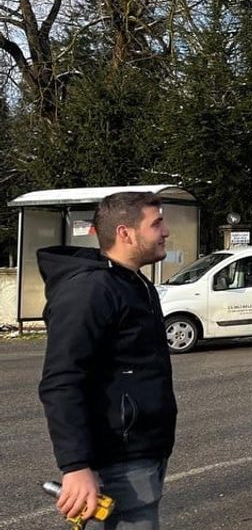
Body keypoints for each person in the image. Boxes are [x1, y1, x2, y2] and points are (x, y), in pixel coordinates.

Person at [38, 191, 177, 529]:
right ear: (125, 233)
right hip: (115, 461)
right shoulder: (91, 289)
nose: (166, 231)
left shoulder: (132, 282)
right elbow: (62, 380)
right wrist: (76, 466)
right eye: (156, 223)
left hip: (142, 452)